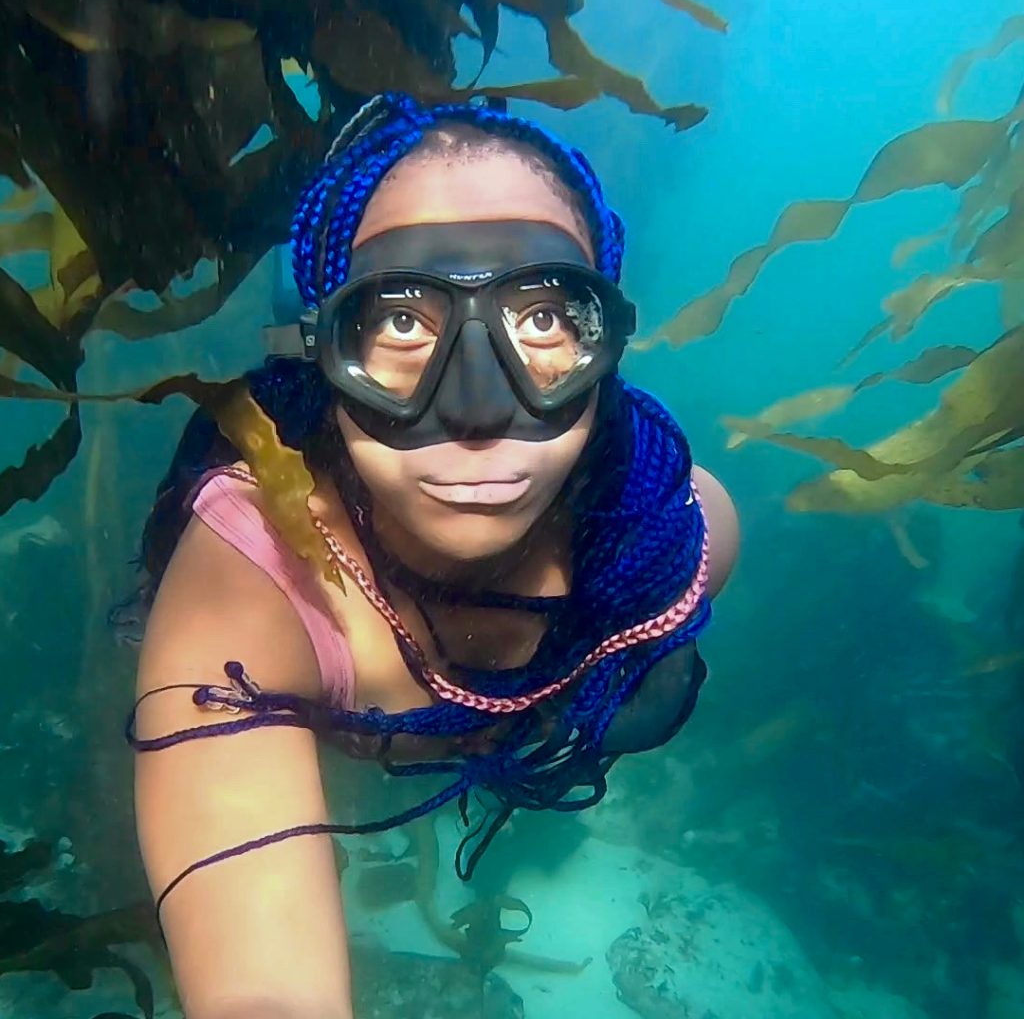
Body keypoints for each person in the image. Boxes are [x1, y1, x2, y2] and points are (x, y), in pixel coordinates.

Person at [130, 92, 739, 1019]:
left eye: (543, 322)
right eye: (401, 324)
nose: (477, 413)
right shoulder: (246, 587)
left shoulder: (679, 539)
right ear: (320, 353)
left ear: (605, 344)